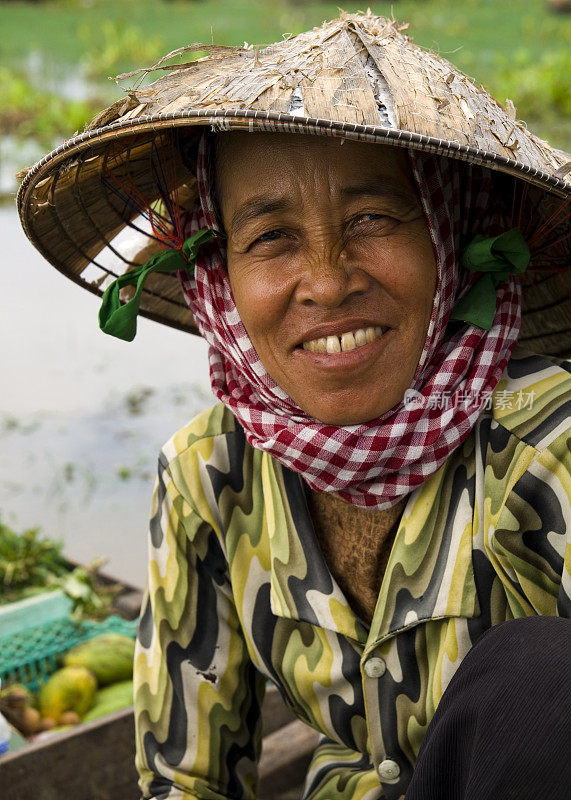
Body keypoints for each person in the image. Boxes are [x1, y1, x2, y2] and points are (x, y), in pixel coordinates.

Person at [17, 12, 571, 800]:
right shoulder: (208, 472)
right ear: (221, 278)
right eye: (272, 236)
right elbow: (186, 778)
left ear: (448, 238)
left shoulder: (546, 442)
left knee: (541, 681)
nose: (327, 279)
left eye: (373, 219)